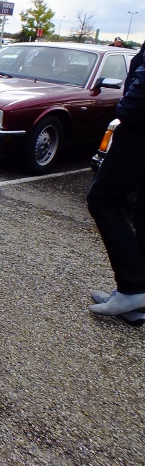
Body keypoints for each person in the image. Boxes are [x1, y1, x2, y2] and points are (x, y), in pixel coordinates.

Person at [86, 39, 145, 321]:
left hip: (139, 132)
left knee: (102, 200)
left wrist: (127, 108)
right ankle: (138, 295)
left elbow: (140, 88)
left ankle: (133, 289)